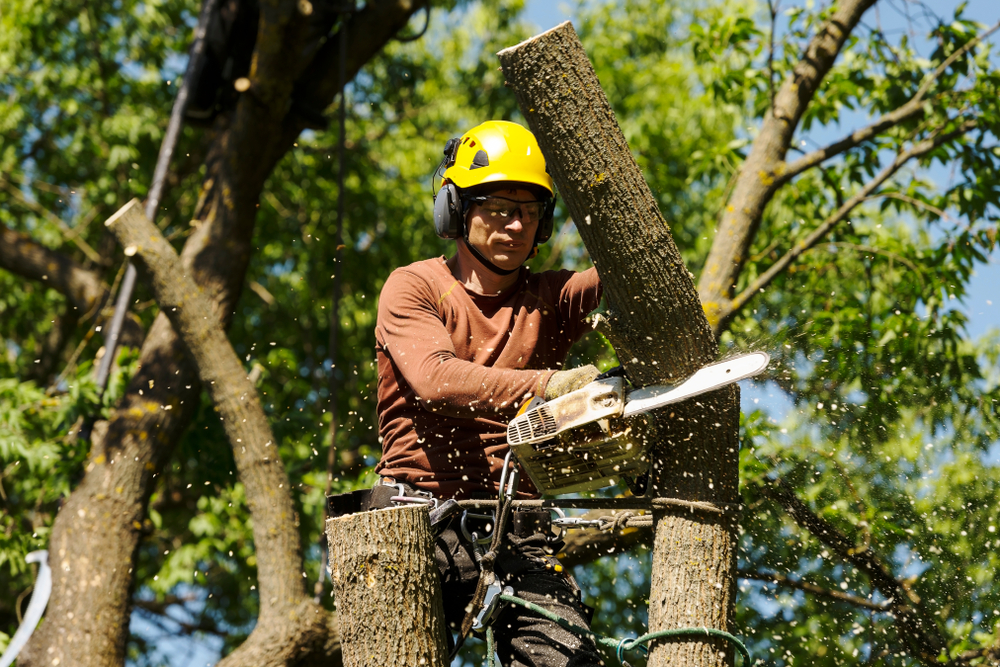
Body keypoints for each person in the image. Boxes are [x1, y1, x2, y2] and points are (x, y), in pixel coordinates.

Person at [373, 120, 605, 666]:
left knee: (568, 660)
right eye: (499, 206)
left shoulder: (554, 297)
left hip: (518, 526)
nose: (516, 223)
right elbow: (436, 377)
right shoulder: (416, 286)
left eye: (530, 210)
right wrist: (549, 383)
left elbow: (636, 266)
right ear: (456, 211)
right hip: (418, 517)